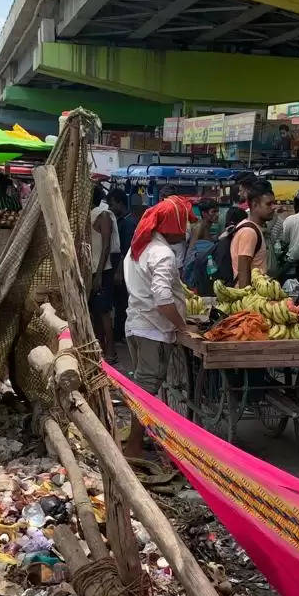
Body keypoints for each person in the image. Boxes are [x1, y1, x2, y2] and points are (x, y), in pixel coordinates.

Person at [122, 196, 191, 457]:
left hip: (137, 324)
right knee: (147, 390)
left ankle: (138, 440)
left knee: (143, 386)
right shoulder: (162, 253)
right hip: (153, 329)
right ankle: (134, 448)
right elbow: (163, 298)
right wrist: (181, 325)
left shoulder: (138, 248)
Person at [89, 185, 120, 362]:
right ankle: (100, 349)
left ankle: (111, 352)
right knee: (96, 312)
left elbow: (107, 245)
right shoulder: (91, 215)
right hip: (93, 271)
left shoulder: (104, 215)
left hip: (103, 271)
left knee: (104, 312)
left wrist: (99, 274)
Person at [231, 178, 276, 288]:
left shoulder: (252, 227)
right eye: (269, 204)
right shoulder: (249, 232)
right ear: (255, 205)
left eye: (273, 203)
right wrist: (247, 300)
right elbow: (243, 271)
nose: (273, 207)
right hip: (250, 298)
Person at [109, 188, 134, 341]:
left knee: (122, 303)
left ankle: (122, 334)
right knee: (119, 302)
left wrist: (119, 272)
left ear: (120, 203)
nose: (110, 208)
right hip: (118, 267)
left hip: (123, 268)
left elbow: (125, 250)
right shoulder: (119, 220)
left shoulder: (128, 223)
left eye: (112, 204)